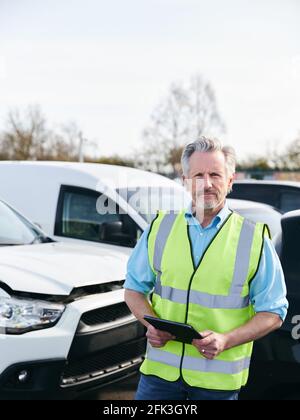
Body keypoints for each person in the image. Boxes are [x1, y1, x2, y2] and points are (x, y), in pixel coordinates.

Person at [124, 137, 288, 401]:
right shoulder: (160, 228)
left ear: (230, 180)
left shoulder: (254, 239)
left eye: (215, 174)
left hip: (216, 385)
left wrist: (226, 339)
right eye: (198, 175)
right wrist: (149, 323)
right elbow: (133, 290)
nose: (207, 184)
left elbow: (274, 311)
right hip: (159, 379)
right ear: (186, 181)